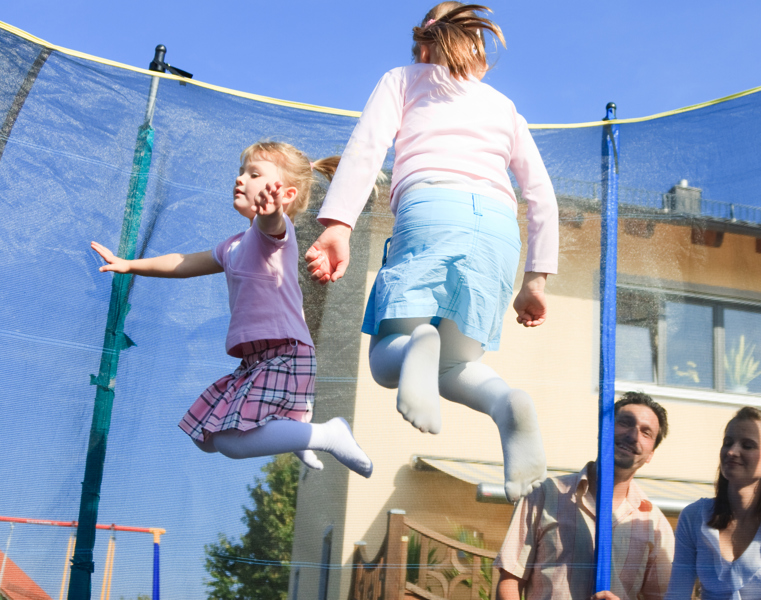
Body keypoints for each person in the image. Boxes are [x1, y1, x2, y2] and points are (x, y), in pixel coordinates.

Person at [303, 2, 558, 501]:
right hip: (498, 233)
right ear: (480, 57)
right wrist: (536, 278)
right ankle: (507, 405)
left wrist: (337, 227)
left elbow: (366, 147)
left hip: (431, 210)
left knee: (383, 358)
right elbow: (541, 195)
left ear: (422, 45)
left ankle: (416, 342)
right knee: (455, 366)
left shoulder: (403, 79)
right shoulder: (505, 108)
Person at [90, 141, 373, 477]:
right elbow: (182, 262)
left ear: (284, 195)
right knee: (205, 436)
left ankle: (326, 434)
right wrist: (129, 265)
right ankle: (298, 434)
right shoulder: (233, 245)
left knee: (229, 440)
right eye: (241, 172)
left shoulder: (273, 235)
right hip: (256, 358)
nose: (240, 179)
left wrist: (271, 213)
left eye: (254, 174)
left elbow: (273, 225)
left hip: (285, 351)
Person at [494, 392, 675, 600]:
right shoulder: (544, 494)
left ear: (651, 454)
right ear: (602, 430)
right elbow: (510, 582)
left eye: (646, 433)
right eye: (625, 423)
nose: (633, 436)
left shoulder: (655, 524)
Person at [665, 407, 761, 600]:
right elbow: (677, 594)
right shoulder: (692, 516)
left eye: (748, 445)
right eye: (728, 443)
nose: (732, 451)